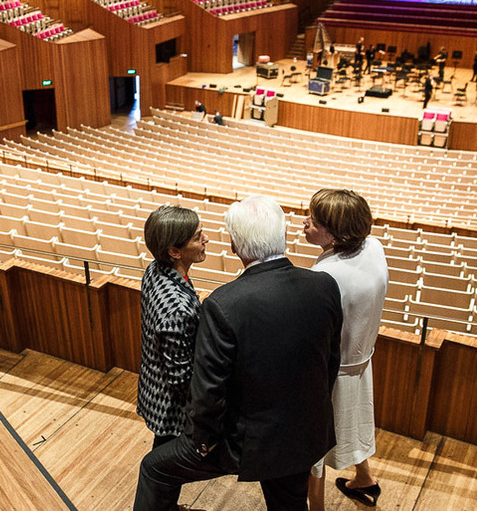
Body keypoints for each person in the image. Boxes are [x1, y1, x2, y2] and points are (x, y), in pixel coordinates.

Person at [133, 195, 343, 511]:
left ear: (236, 247)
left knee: (154, 467)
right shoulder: (324, 285)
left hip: (248, 440)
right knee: (290, 503)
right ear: (283, 236)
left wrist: (203, 442)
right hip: (304, 430)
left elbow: (209, 390)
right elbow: (330, 361)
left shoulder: (223, 303)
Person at [302, 190, 388, 511]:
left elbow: (313, 336)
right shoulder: (373, 246)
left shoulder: (325, 277)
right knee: (356, 421)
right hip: (361, 360)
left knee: (316, 449)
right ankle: (364, 478)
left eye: (314, 220)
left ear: (335, 234)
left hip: (332, 371)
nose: (305, 222)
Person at [137, 206, 209, 449]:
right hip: (171, 408)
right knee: (165, 468)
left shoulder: (154, 269)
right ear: (175, 251)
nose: (205, 239)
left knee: (163, 468)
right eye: (198, 237)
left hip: (154, 387)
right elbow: (181, 378)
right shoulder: (177, 310)